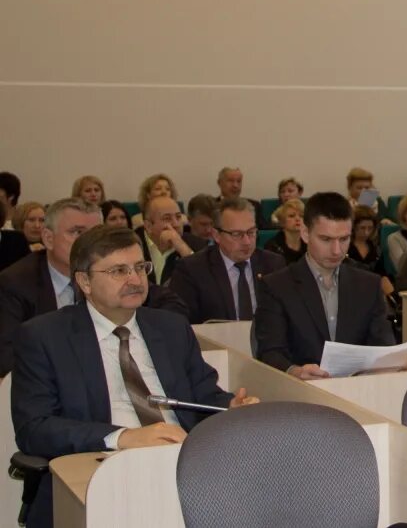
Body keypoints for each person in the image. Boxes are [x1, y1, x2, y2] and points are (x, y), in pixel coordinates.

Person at [11, 225, 258, 528]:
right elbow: (34, 428)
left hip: (179, 468)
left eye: (140, 267)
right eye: (118, 271)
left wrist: (231, 407)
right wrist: (124, 437)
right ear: (84, 281)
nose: (135, 279)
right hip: (100, 471)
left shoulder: (171, 327)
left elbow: (204, 395)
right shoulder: (45, 336)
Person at [255, 192, 396, 379]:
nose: (336, 250)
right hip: (301, 390)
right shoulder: (276, 286)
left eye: (344, 239)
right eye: (326, 239)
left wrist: (392, 366)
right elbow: (270, 352)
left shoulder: (369, 285)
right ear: (305, 233)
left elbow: (383, 345)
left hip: (357, 389)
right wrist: (295, 371)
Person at [0, 199, 103, 375]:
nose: (89, 243)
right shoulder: (14, 284)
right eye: (77, 232)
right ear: (48, 238)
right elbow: (7, 357)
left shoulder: (111, 276)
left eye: (96, 234)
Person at [168, 198, 286, 324]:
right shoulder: (192, 270)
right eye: (237, 234)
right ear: (216, 235)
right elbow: (180, 322)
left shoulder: (273, 265)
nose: (247, 241)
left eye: (251, 232)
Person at [136, 196, 206, 285]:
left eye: (178, 217)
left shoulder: (197, 244)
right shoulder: (133, 244)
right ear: (149, 226)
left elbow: (206, 283)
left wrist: (183, 249)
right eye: (167, 218)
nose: (176, 224)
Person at [264, 198, 307, 264]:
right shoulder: (272, 246)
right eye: (291, 216)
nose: (298, 219)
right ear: (282, 221)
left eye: (301, 216)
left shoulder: (310, 244)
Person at [347, 205, 387, 275]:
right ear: (353, 227)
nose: (366, 233)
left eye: (370, 228)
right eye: (362, 228)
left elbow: (381, 272)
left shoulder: (375, 247)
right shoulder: (345, 246)